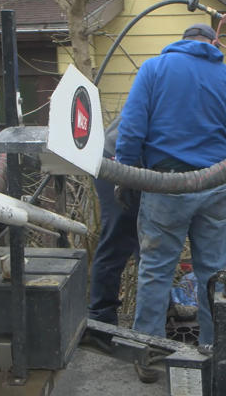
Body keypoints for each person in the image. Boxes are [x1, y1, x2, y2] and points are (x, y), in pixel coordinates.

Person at [115, 23, 226, 353]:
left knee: (156, 272)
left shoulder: (154, 69)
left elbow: (131, 130)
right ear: (213, 43)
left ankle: (148, 351)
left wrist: (126, 175)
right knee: (214, 273)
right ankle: (214, 351)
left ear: (181, 42)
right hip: (215, 186)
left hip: (166, 186)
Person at [87, 116, 140, 328]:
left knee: (150, 240)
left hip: (142, 162)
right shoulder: (167, 85)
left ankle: (161, 307)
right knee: (118, 236)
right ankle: (101, 317)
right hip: (117, 158)